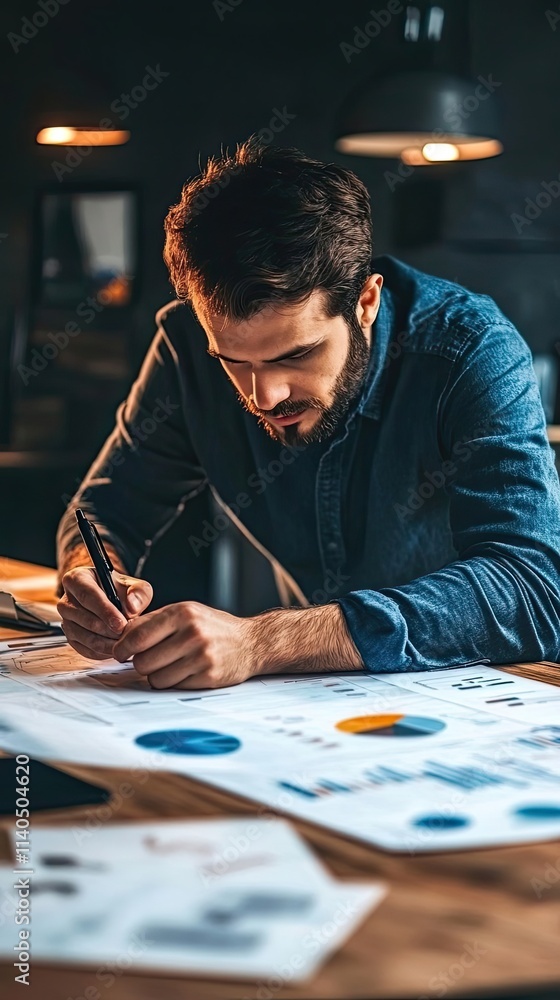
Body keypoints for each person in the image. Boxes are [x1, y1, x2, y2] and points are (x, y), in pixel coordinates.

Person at [56, 137, 560, 690]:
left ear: (365, 302)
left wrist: (263, 641)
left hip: (482, 703)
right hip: (316, 706)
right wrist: (89, 571)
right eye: (233, 361)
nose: (264, 396)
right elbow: (108, 506)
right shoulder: (184, 344)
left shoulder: (469, 350)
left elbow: (532, 588)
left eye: (296, 354)